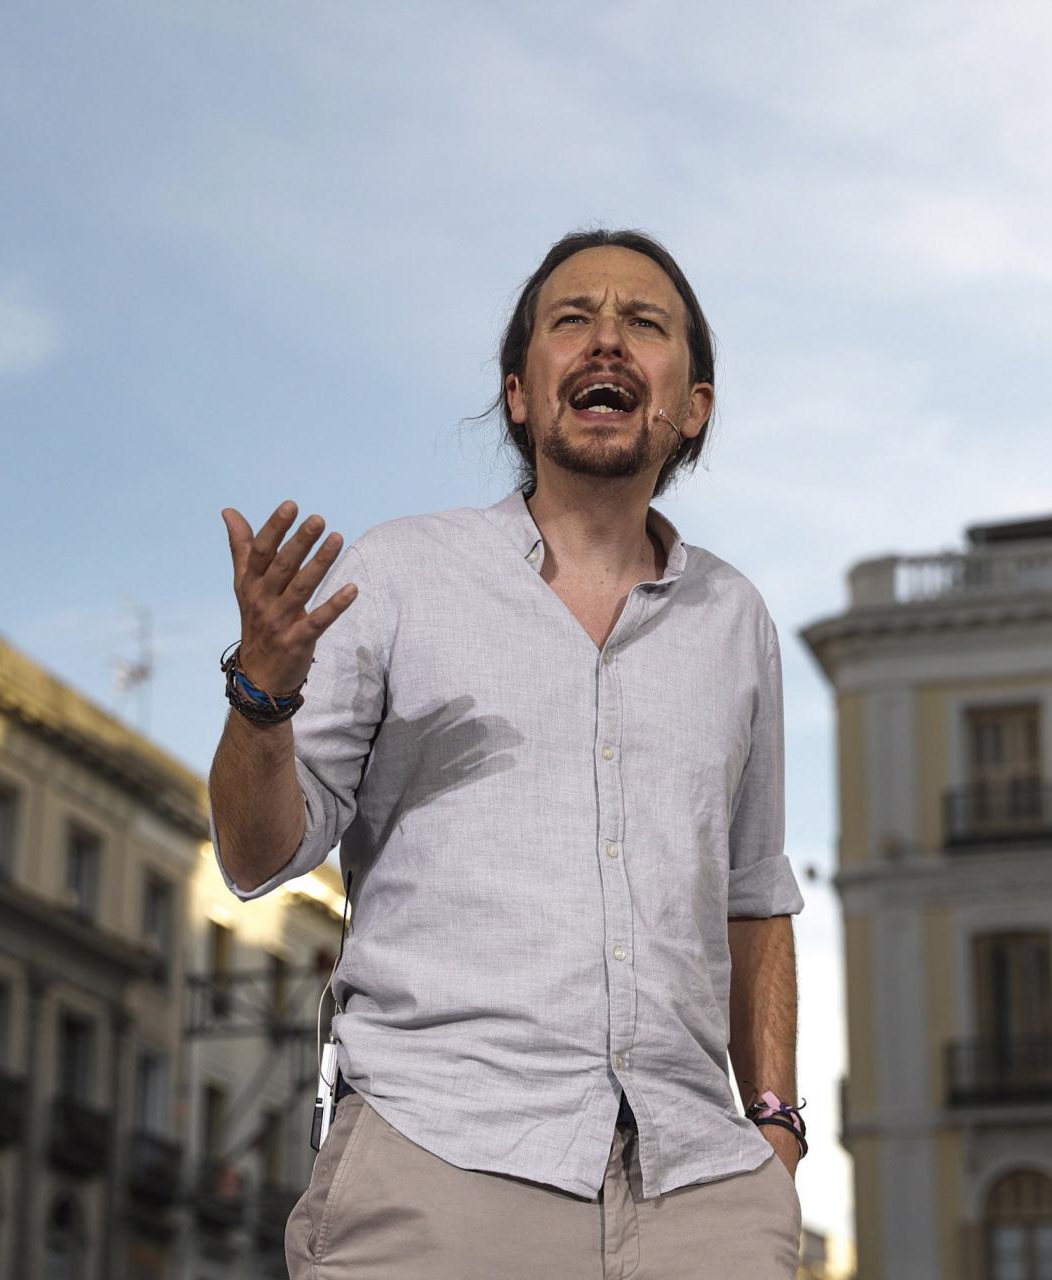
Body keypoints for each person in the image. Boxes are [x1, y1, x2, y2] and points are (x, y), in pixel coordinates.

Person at [210, 229, 807, 1279]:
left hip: (701, 1194)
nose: (606, 339)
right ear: (520, 396)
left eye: (644, 323)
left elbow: (754, 897)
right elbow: (257, 857)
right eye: (572, 319)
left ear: (693, 406)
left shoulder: (735, 617)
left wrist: (775, 1128)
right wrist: (262, 699)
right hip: (441, 1168)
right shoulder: (396, 575)